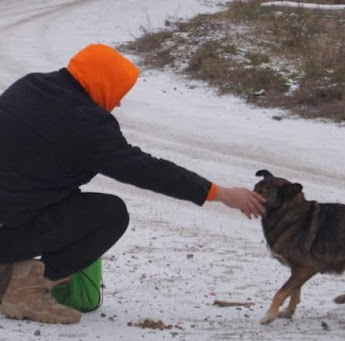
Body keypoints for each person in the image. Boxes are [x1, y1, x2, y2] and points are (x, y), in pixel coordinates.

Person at [0, 44, 265, 324]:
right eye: (120, 92)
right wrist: (219, 193)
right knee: (110, 214)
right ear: (104, 82)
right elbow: (147, 170)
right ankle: (26, 289)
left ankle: (7, 272)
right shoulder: (86, 123)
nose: (119, 102)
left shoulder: (30, 86)